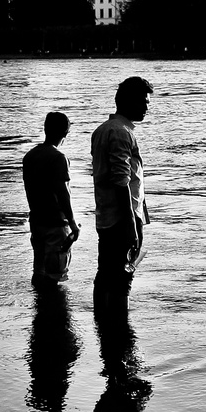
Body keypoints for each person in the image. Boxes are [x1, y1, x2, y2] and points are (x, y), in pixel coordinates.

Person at [90, 76, 152, 300]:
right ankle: (119, 327)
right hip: (121, 219)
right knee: (122, 277)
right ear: (129, 101)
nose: (147, 106)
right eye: (143, 101)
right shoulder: (121, 132)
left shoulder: (105, 130)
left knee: (106, 273)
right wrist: (131, 225)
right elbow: (121, 181)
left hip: (108, 214)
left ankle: (105, 323)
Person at [22, 111, 79, 284]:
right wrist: (73, 223)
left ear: (45, 129)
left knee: (39, 271)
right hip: (55, 224)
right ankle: (54, 310)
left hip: (37, 222)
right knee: (55, 274)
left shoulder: (30, 156)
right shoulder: (59, 158)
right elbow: (63, 193)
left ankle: (39, 308)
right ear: (65, 133)